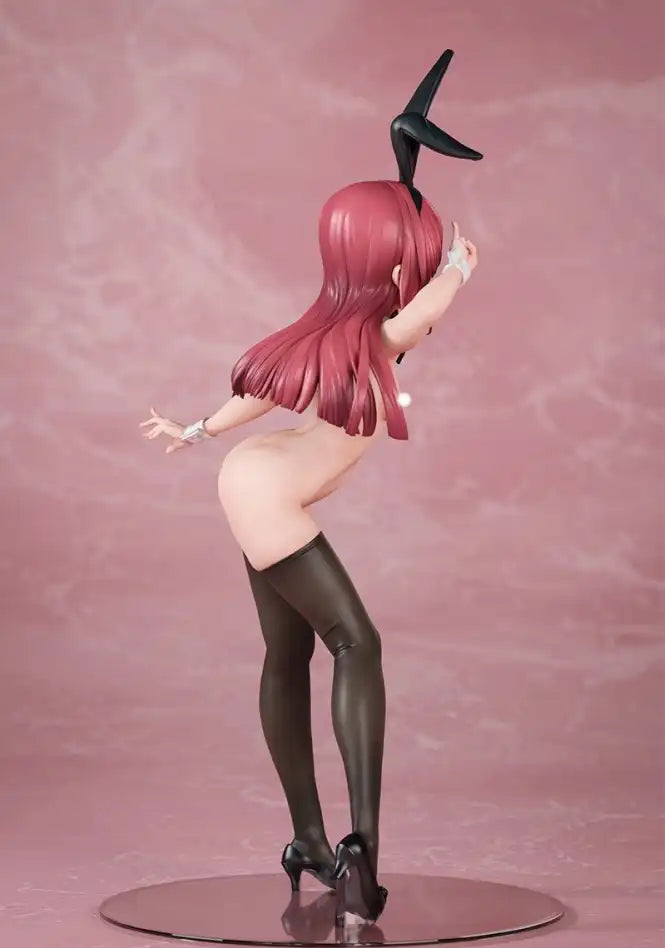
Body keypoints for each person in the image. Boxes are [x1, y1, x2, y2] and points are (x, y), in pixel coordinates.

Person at [139, 51, 481, 926]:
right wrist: (456, 267)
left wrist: (198, 431)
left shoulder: (339, 331)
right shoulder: (377, 331)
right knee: (356, 643)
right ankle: (360, 852)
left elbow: (265, 390)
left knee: (286, 655)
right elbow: (417, 316)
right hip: (268, 492)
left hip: (258, 478)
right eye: (410, 260)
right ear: (393, 264)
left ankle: (306, 842)